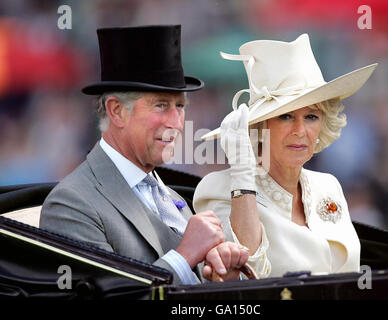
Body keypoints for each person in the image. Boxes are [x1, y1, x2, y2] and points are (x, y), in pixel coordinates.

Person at [40, 25, 249, 285]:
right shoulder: (71, 204)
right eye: (161, 105)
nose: (176, 121)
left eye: (180, 106)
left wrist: (219, 279)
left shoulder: (170, 196)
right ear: (116, 111)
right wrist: (184, 256)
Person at [193, 34, 377, 278]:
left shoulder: (328, 186)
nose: (300, 131)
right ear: (260, 127)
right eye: (286, 116)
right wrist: (242, 173)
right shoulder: (217, 188)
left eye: (311, 117)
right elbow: (246, 275)